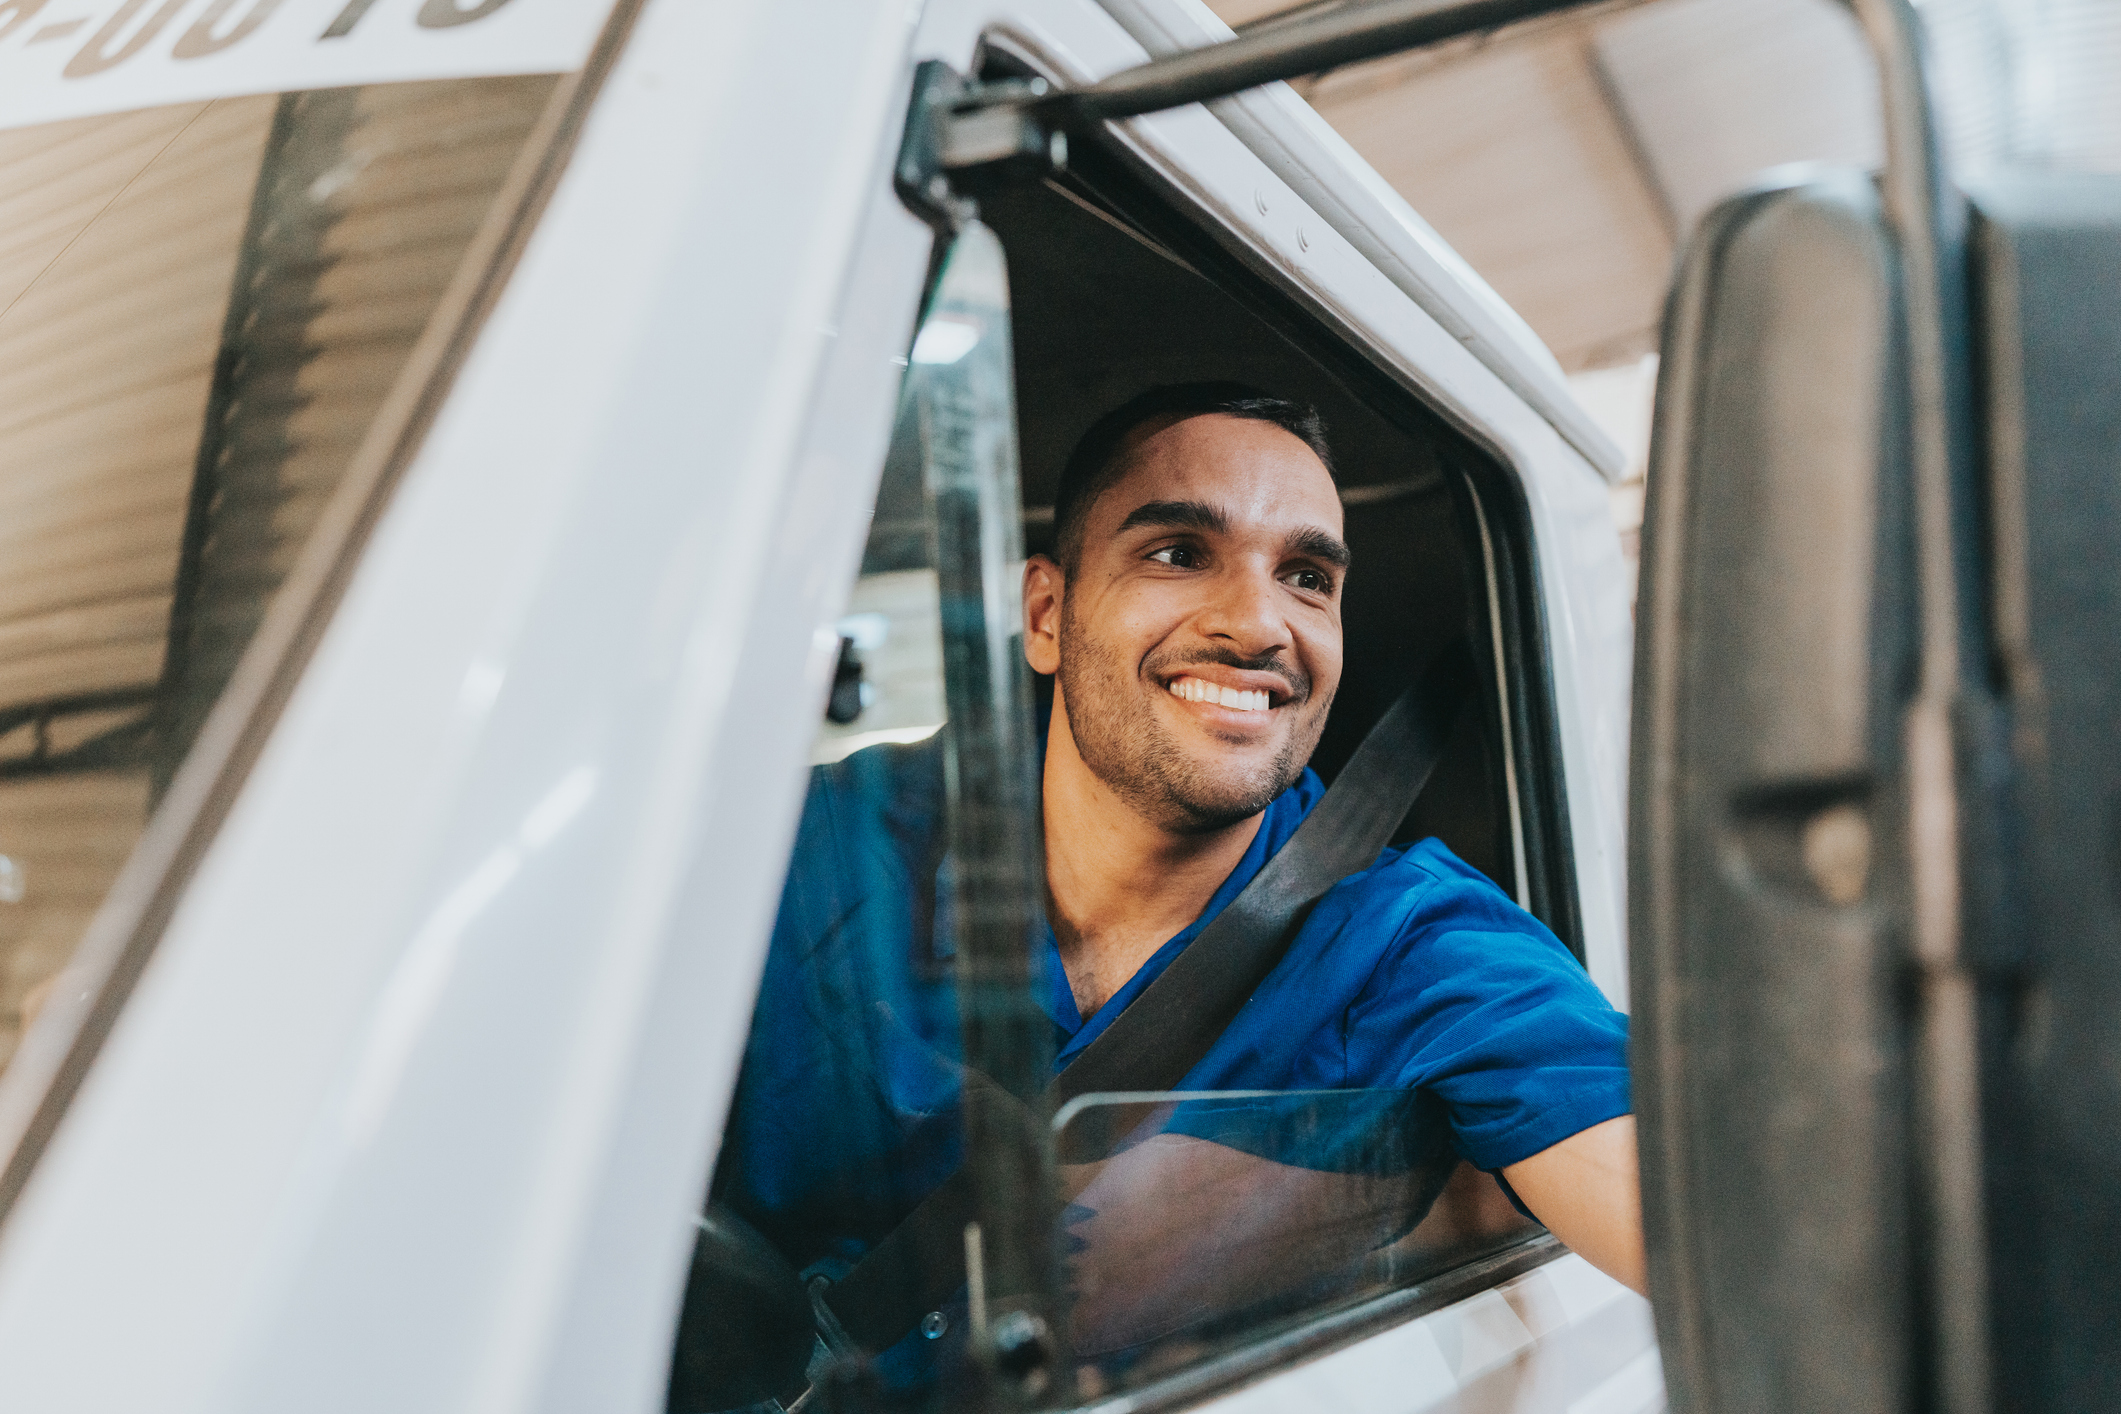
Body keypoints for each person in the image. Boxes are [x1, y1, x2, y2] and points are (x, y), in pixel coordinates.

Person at [711, 383, 1641, 1379]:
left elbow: (1723, 1240)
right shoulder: (800, 848)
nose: (1256, 623)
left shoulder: (1412, 944)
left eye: (1306, 576)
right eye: (1179, 552)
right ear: (1044, 614)